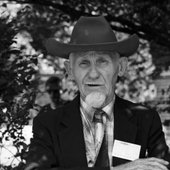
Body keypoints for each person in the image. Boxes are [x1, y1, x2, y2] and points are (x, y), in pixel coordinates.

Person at [25, 16, 170, 170]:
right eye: (84, 63)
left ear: (121, 67)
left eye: (102, 61)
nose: (93, 74)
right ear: (70, 70)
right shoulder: (48, 124)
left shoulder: (146, 120)